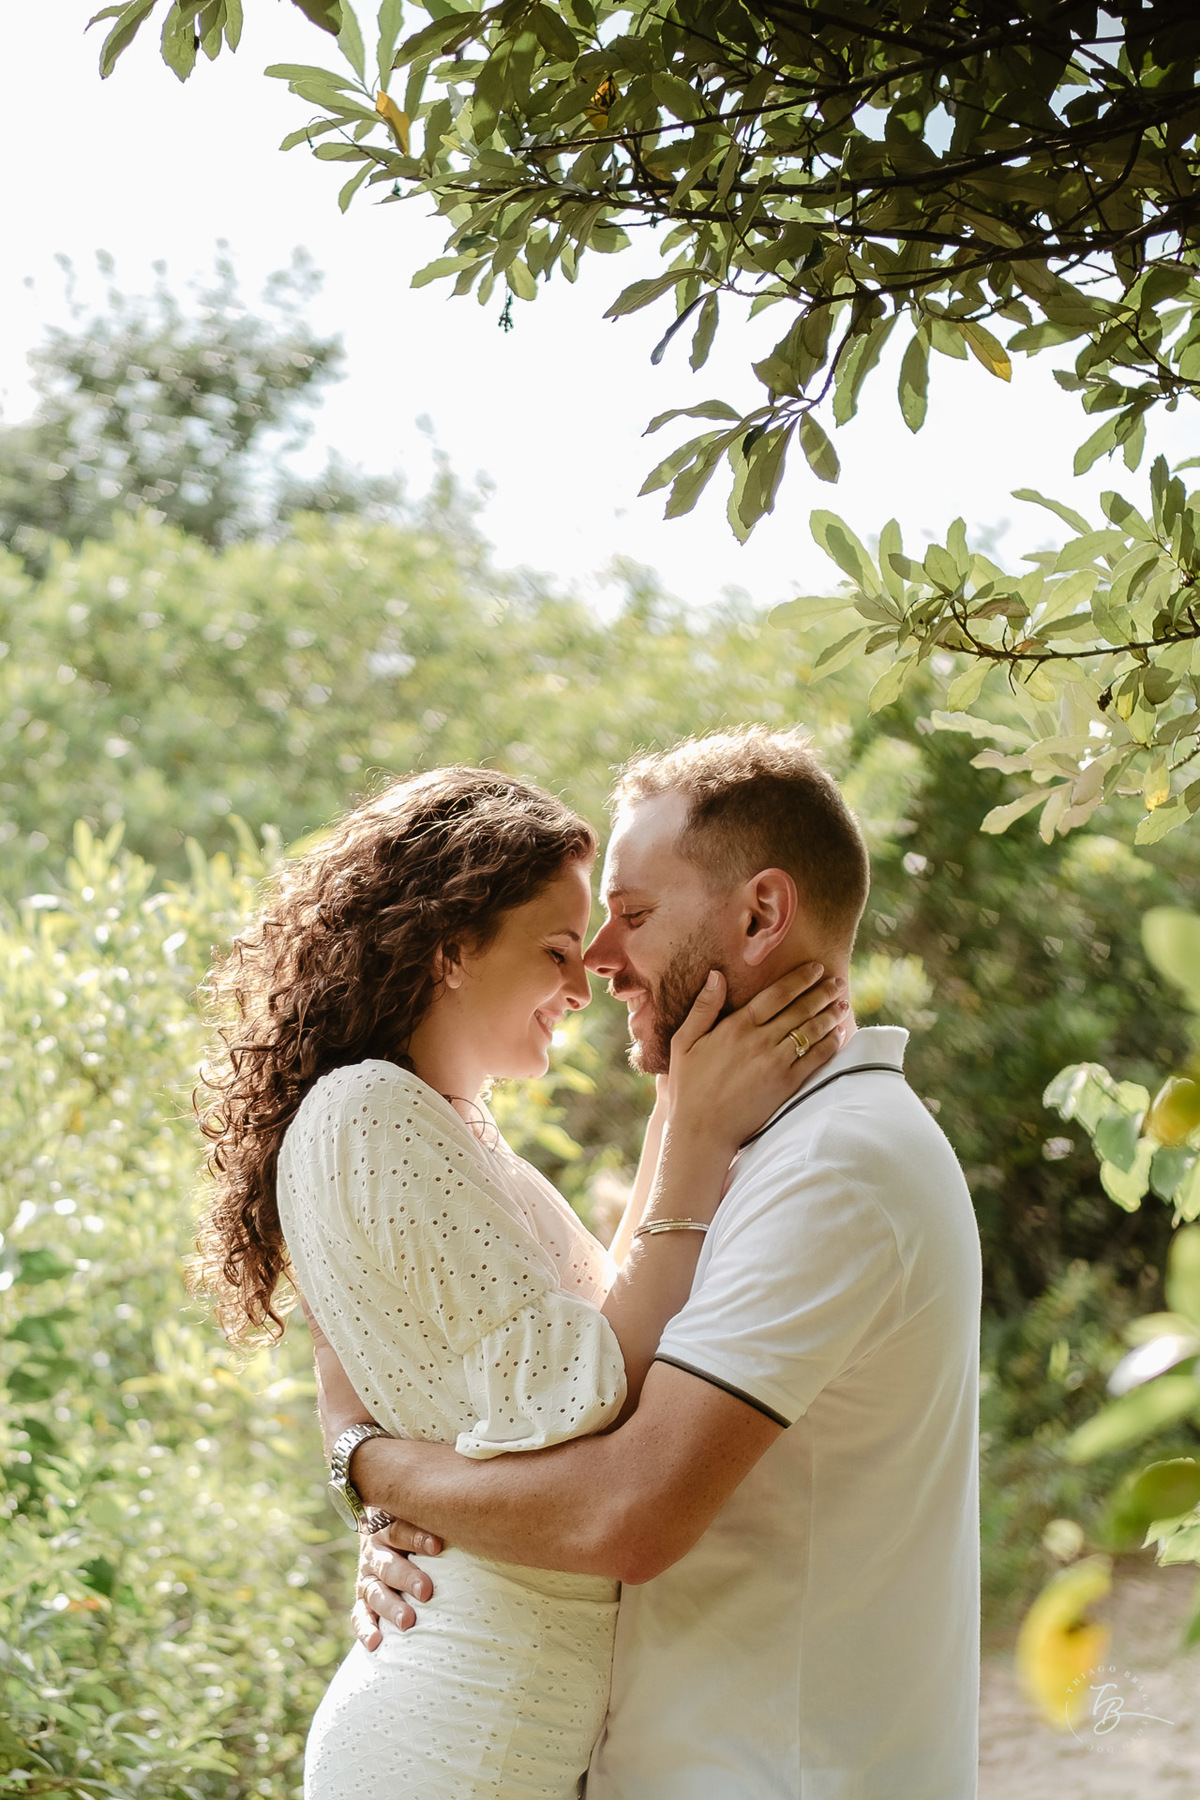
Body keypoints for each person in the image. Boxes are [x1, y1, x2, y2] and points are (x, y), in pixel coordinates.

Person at [322, 728, 983, 1799]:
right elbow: (583, 1397)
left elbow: (621, 1515)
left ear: (761, 913)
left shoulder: (835, 1166)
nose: (598, 961)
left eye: (630, 916)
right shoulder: (759, 1151)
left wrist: (375, 1469)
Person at [192, 763, 846, 1800]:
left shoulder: (454, 1129)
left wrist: (685, 1099)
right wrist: (695, 1131)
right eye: (554, 950)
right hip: (452, 1737)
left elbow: (601, 1320)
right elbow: (581, 1392)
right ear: (453, 948)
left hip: (502, 1731)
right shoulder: (369, 1112)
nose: (584, 982)